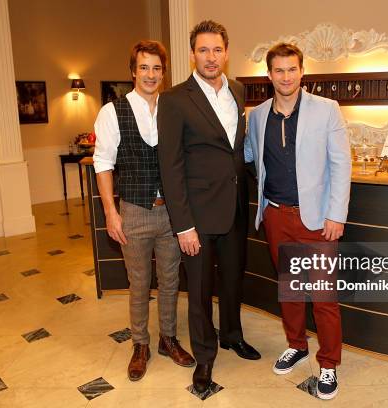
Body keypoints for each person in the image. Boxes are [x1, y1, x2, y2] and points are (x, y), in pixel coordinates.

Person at [157, 20, 261, 393]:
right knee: (199, 290)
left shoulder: (237, 89)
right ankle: (204, 357)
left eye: (217, 49)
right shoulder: (173, 100)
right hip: (196, 215)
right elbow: (170, 166)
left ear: (227, 53)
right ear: (192, 54)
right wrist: (182, 224)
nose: (211, 57)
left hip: (234, 207)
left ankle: (232, 334)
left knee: (233, 278)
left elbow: (236, 149)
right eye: (203, 50)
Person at [245, 42, 351, 400]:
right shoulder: (257, 115)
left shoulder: (327, 110)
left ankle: (329, 364)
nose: (286, 76)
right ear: (269, 75)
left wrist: (336, 214)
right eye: (279, 70)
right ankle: (297, 344)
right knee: (290, 290)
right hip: (276, 215)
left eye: (292, 69)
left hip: (317, 219)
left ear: (302, 72)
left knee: (323, 296)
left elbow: (341, 164)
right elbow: (247, 155)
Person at [93, 40, 195, 382]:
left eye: (156, 68)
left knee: (169, 280)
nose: (150, 74)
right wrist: (110, 212)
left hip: (171, 214)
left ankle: (168, 338)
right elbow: (103, 164)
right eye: (144, 67)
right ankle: (140, 344)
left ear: (164, 73)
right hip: (133, 212)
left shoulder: (173, 108)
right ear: (133, 71)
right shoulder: (113, 111)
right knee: (139, 283)